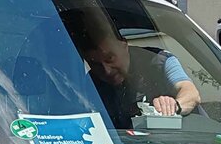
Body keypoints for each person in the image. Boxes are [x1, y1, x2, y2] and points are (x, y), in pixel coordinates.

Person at [67, 10, 201, 128]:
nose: (106, 70)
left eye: (110, 58)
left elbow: (191, 94)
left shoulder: (159, 60)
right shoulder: (91, 83)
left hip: (179, 143)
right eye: (95, 64)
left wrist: (174, 105)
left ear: (124, 45)